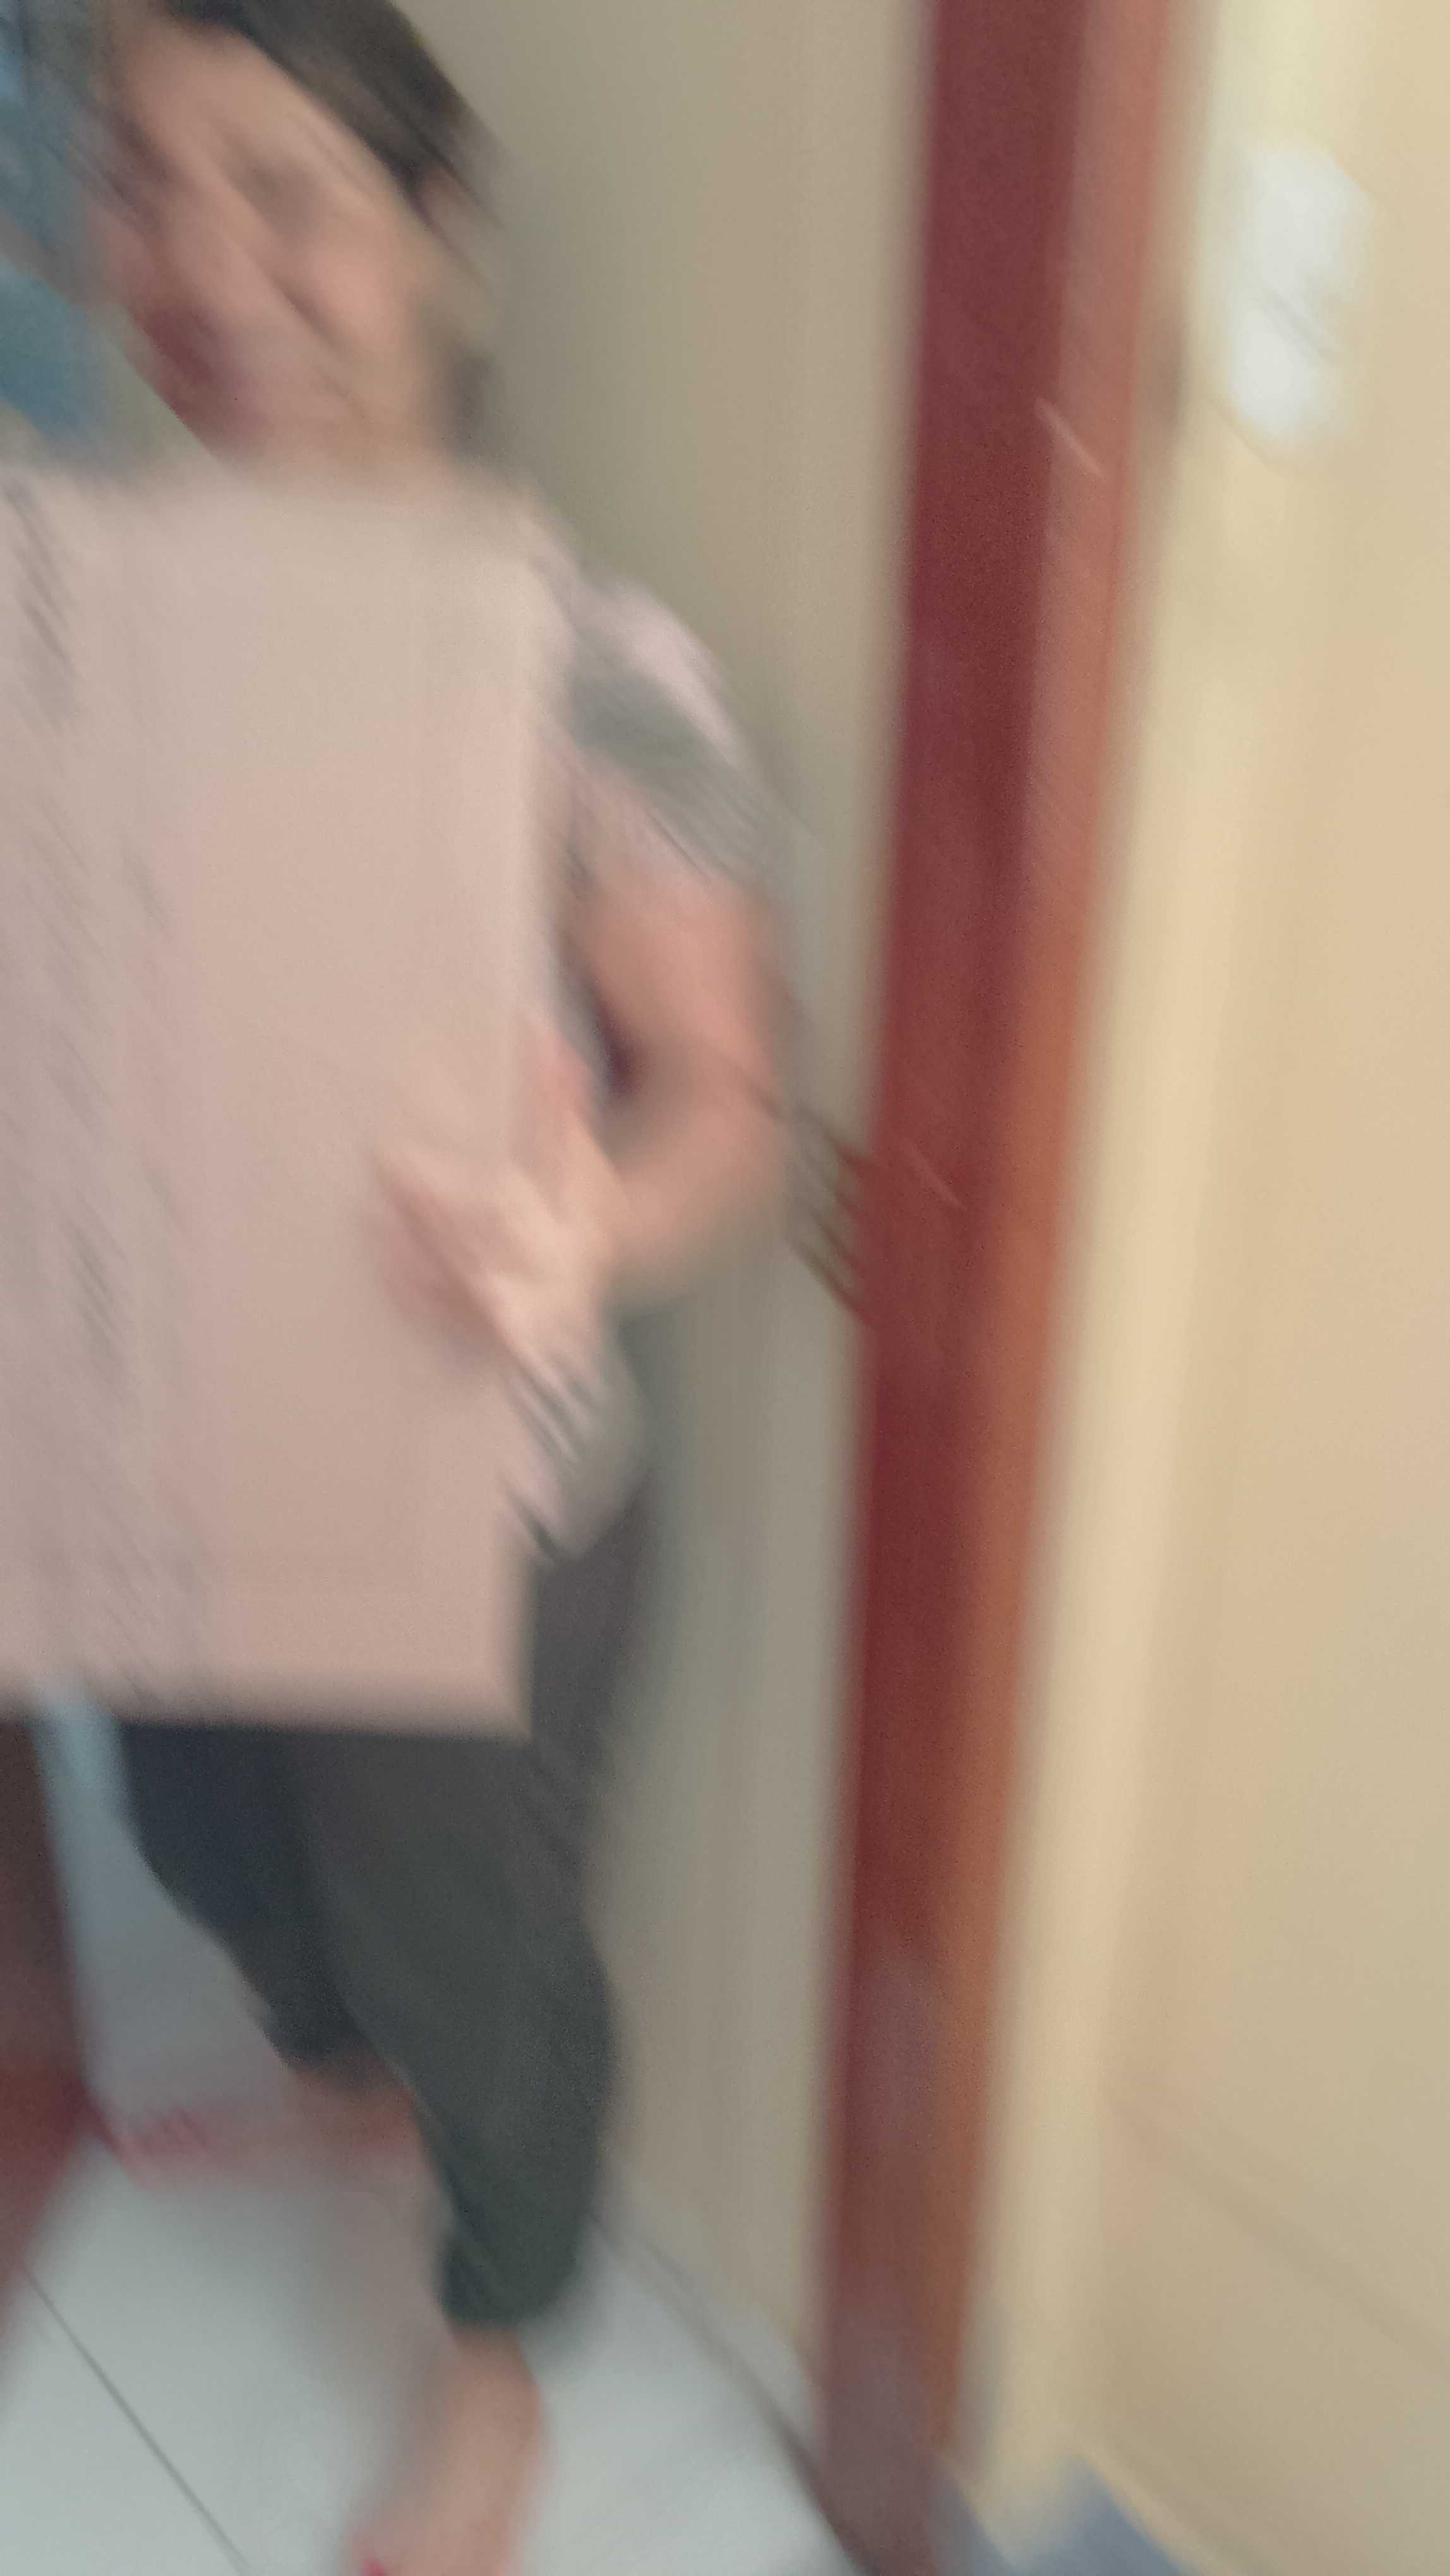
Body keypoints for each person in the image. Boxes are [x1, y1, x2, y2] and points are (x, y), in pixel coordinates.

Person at [92, 3, 786, 2570]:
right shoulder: (80, 629)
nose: (204, 264)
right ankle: (345, 2073)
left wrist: (589, 1221)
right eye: (144, 185)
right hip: (167, 1451)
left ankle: (498, 2361)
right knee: (202, 1840)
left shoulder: (587, 656)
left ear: (442, 239)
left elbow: (730, 1103)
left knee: (480, 1971)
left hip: (474, 1497)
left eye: (285, 191)